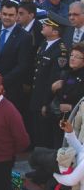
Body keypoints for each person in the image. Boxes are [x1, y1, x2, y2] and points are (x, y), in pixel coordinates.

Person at [0, 0, 33, 110]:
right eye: (4, 14)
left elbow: (23, 65)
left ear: (17, 15)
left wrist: (1, 81)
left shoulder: (24, 37)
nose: (7, 17)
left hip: (10, 88)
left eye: (10, 15)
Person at [30, 13, 70, 148]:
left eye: (47, 25)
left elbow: (53, 81)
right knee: (36, 132)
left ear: (55, 31)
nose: (43, 25)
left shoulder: (60, 51)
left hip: (46, 100)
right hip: (36, 96)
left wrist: (45, 103)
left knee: (45, 136)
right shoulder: (44, 43)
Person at [48, 43, 84, 148]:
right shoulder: (66, 74)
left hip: (77, 122)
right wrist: (53, 89)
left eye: (77, 57)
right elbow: (60, 96)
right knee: (57, 146)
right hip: (60, 117)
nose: (72, 59)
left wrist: (72, 107)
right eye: (72, 55)